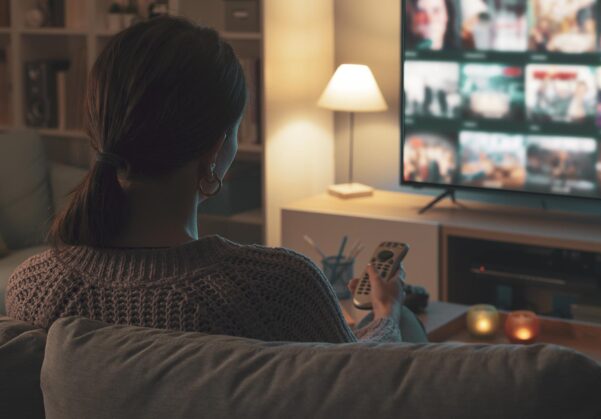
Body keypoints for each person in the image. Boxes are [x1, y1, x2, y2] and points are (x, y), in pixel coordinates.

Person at [6, 17, 426, 344]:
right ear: (217, 147)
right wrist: (387, 313)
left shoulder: (35, 286)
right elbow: (358, 383)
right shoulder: (279, 285)